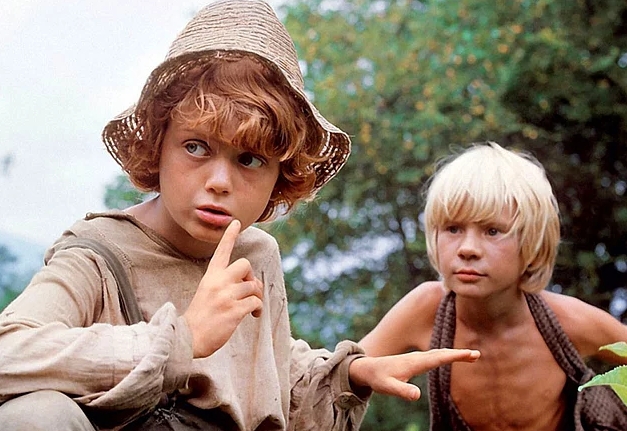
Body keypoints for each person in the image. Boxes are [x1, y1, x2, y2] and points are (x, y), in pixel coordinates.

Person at [0, 1, 480, 430]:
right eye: (196, 147)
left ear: (280, 176)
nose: (219, 181)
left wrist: (349, 376)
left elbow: (269, 376)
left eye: (249, 159)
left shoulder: (255, 253)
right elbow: (8, 351)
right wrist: (182, 339)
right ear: (158, 146)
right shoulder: (98, 253)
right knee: (34, 415)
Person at [359, 141, 627, 431]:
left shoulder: (567, 322)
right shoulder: (425, 310)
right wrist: (362, 372)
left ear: (532, 244)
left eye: (493, 231)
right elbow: (336, 372)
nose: (468, 249)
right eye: (453, 229)